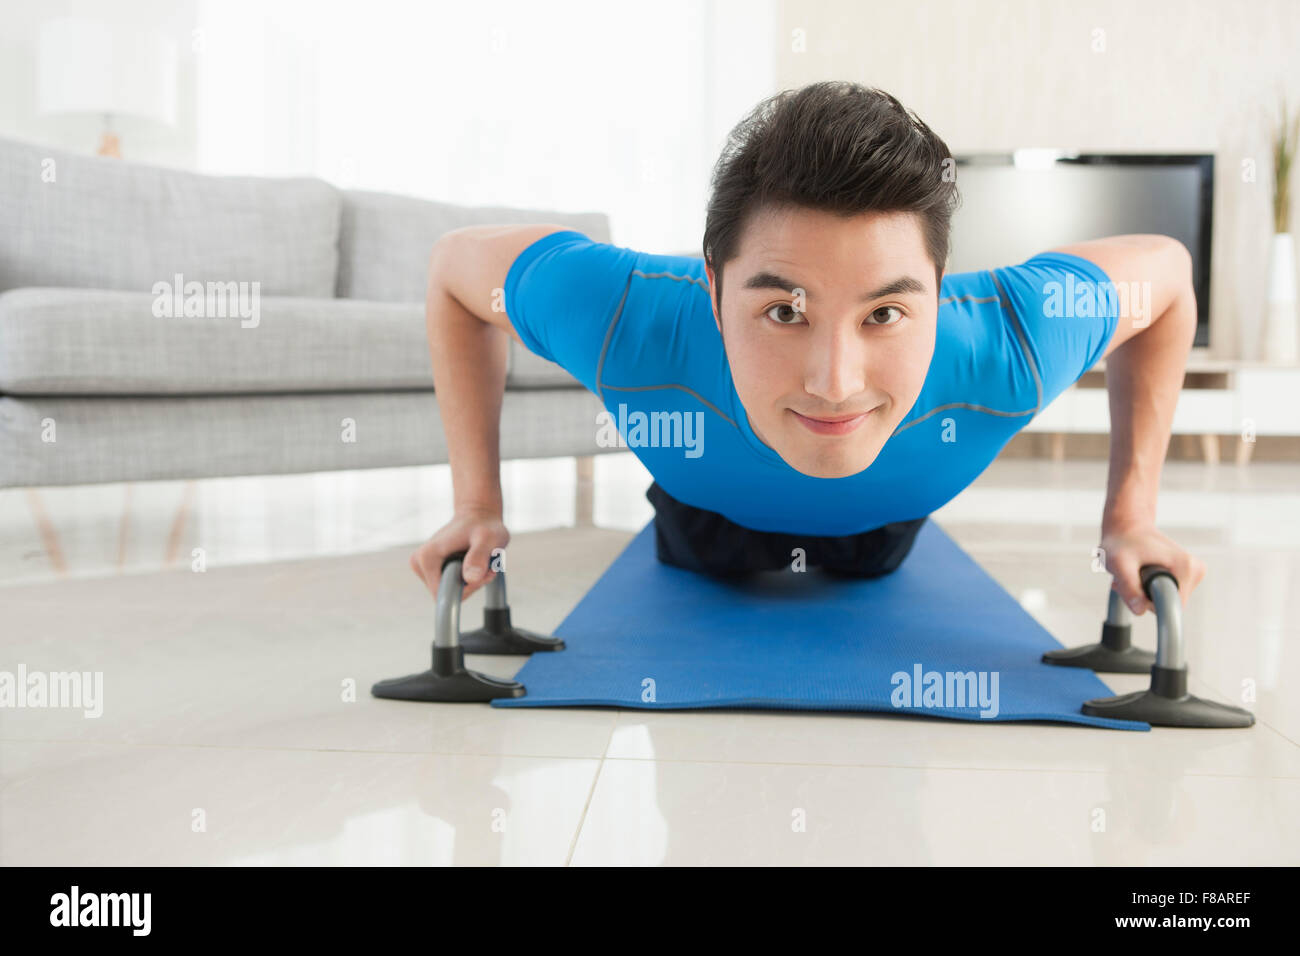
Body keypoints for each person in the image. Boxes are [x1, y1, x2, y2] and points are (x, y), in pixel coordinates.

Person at [410, 81, 1206, 616]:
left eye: (887, 313)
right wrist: (476, 507)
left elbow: (1167, 275)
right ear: (715, 291)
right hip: (706, 519)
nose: (835, 381)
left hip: (882, 531)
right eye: (785, 312)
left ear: (941, 288)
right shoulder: (627, 318)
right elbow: (454, 271)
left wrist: (1129, 517)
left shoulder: (1015, 337)